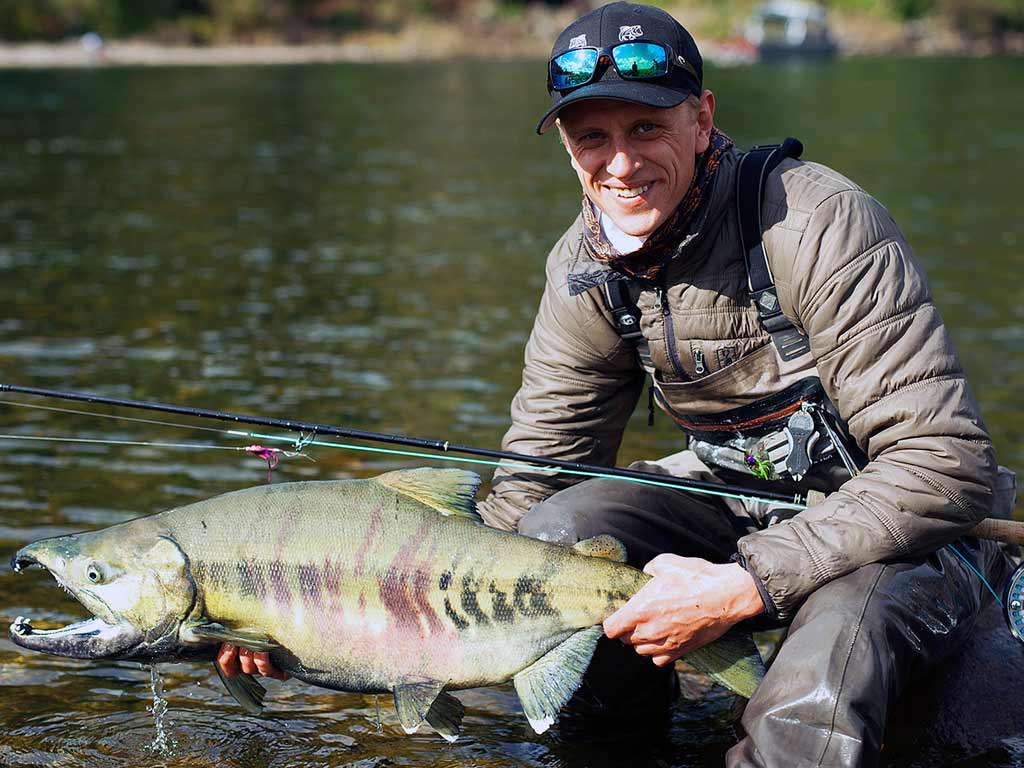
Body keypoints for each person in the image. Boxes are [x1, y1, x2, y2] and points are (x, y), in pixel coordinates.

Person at [219, 3, 1014, 764]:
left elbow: (943, 464)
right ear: (566, 145)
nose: (622, 163)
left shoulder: (816, 224)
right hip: (741, 499)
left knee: (820, 669)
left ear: (701, 121)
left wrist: (746, 585)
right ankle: (613, 748)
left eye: (647, 128)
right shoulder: (583, 268)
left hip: (913, 531)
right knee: (558, 534)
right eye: (591, 135)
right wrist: (321, 627)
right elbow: (535, 480)